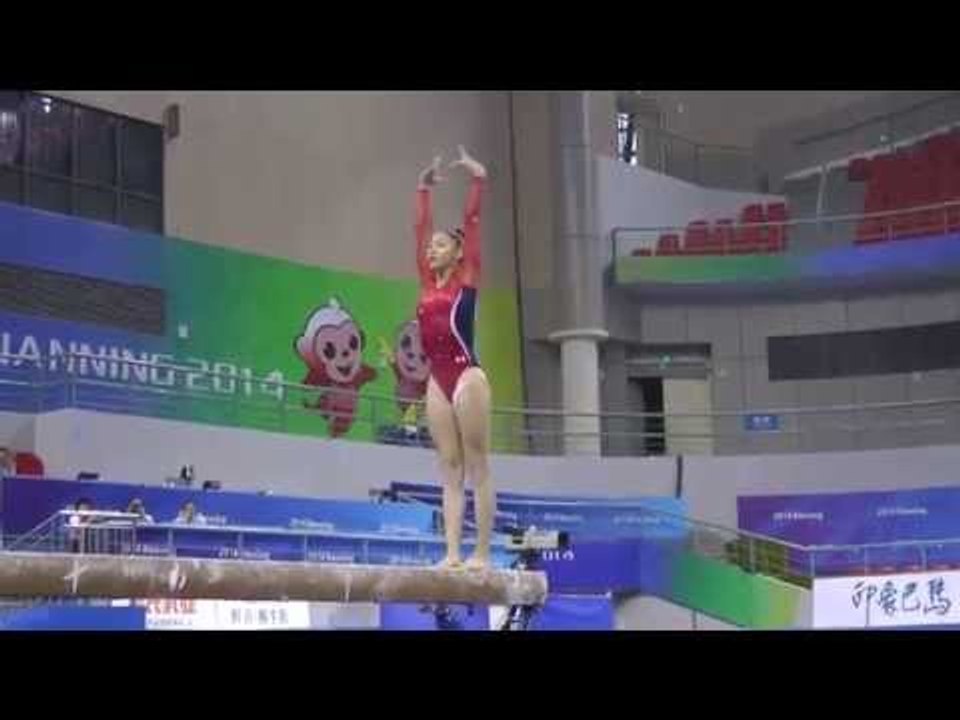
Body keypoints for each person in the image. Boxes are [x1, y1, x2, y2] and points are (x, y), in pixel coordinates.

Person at [414, 145, 495, 570]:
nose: (431, 249)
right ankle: (451, 554)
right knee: (448, 466)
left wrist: (477, 180)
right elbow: (419, 228)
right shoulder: (427, 282)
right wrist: (423, 189)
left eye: (440, 245)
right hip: (437, 380)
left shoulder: (468, 277)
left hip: (467, 376)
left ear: (458, 252)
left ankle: (480, 552)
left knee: (476, 463)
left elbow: (472, 223)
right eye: (430, 247)